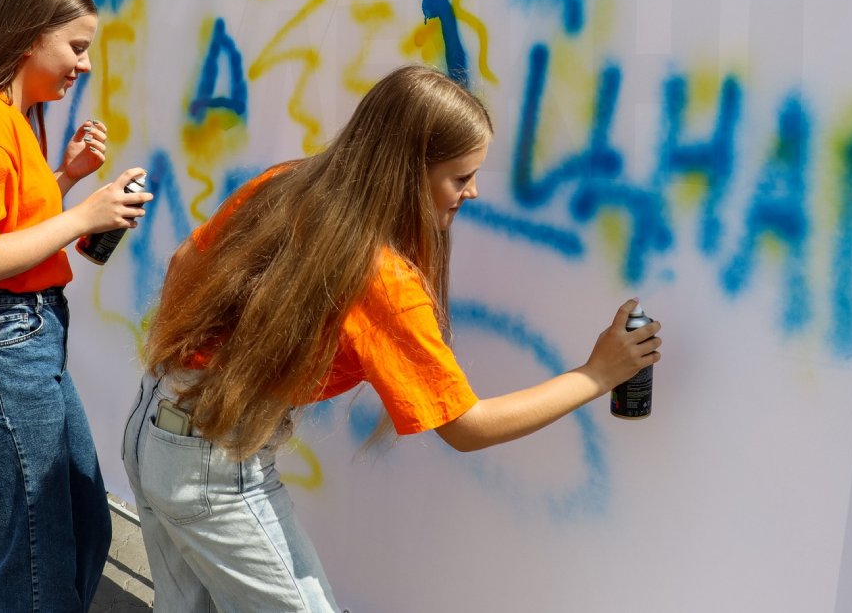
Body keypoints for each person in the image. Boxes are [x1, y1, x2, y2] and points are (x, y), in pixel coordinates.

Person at [122, 65, 664, 612]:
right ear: (408, 171)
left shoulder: (286, 183)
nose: (473, 192)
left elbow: (182, 263)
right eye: (460, 177)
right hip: (213, 458)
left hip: (156, 420)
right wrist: (597, 374)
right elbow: (466, 427)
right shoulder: (381, 276)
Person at [0, 0, 153, 612]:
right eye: (76, 47)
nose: (85, 65)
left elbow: (3, 223)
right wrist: (82, 216)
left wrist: (68, 177)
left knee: (78, 528)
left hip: (16, 343)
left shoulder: (8, 118)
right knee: (41, 561)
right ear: (28, 37)